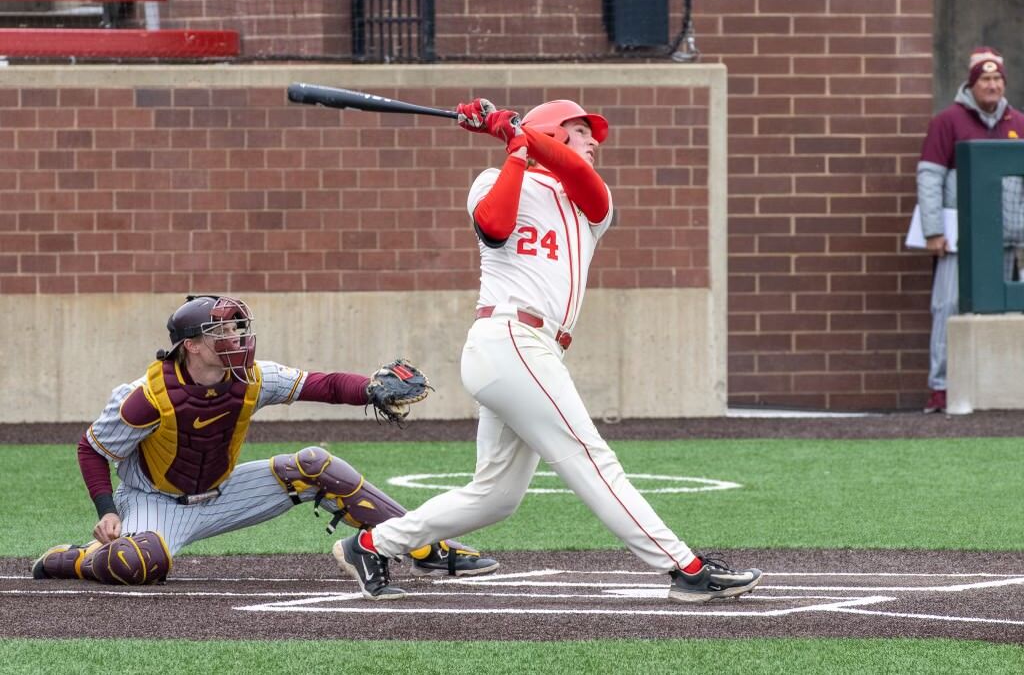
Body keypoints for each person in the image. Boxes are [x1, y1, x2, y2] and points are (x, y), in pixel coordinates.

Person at [333, 98, 762, 603]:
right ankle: (685, 569)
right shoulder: (492, 179)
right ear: (552, 134)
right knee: (589, 457)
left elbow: (576, 172)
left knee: (495, 496)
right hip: (508, 339)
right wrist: (515, 148)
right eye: (580, 131)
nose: (594, 141)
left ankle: (371, 545)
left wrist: (516, 133)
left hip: (537, 349)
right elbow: (494, 228)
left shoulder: (590, 201)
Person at [31, 295, 497, 590]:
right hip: (156, 501)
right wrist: (107, 511)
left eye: (237, 327)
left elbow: (324, 384)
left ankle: (428, 547)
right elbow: (92, 449)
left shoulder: (252, 377)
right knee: (140, 564)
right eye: (222, 331)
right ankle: (70, 561)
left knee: (316, 464)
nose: (237, 337)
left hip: (224, 491)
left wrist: (370, 389)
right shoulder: (146, 397)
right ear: (191, 346)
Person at [918, 47, 1024, 413]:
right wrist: (933, 230)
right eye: (985, 79)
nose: (992, 85)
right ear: (972, 83)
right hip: (958, 239)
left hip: (1007, 237)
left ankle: (1000, 389)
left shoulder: (1019, 123)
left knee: (1004, 312)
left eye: (997, 79)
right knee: (947, 307)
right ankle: (942, 387)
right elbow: (930, 177)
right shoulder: (948, 121)